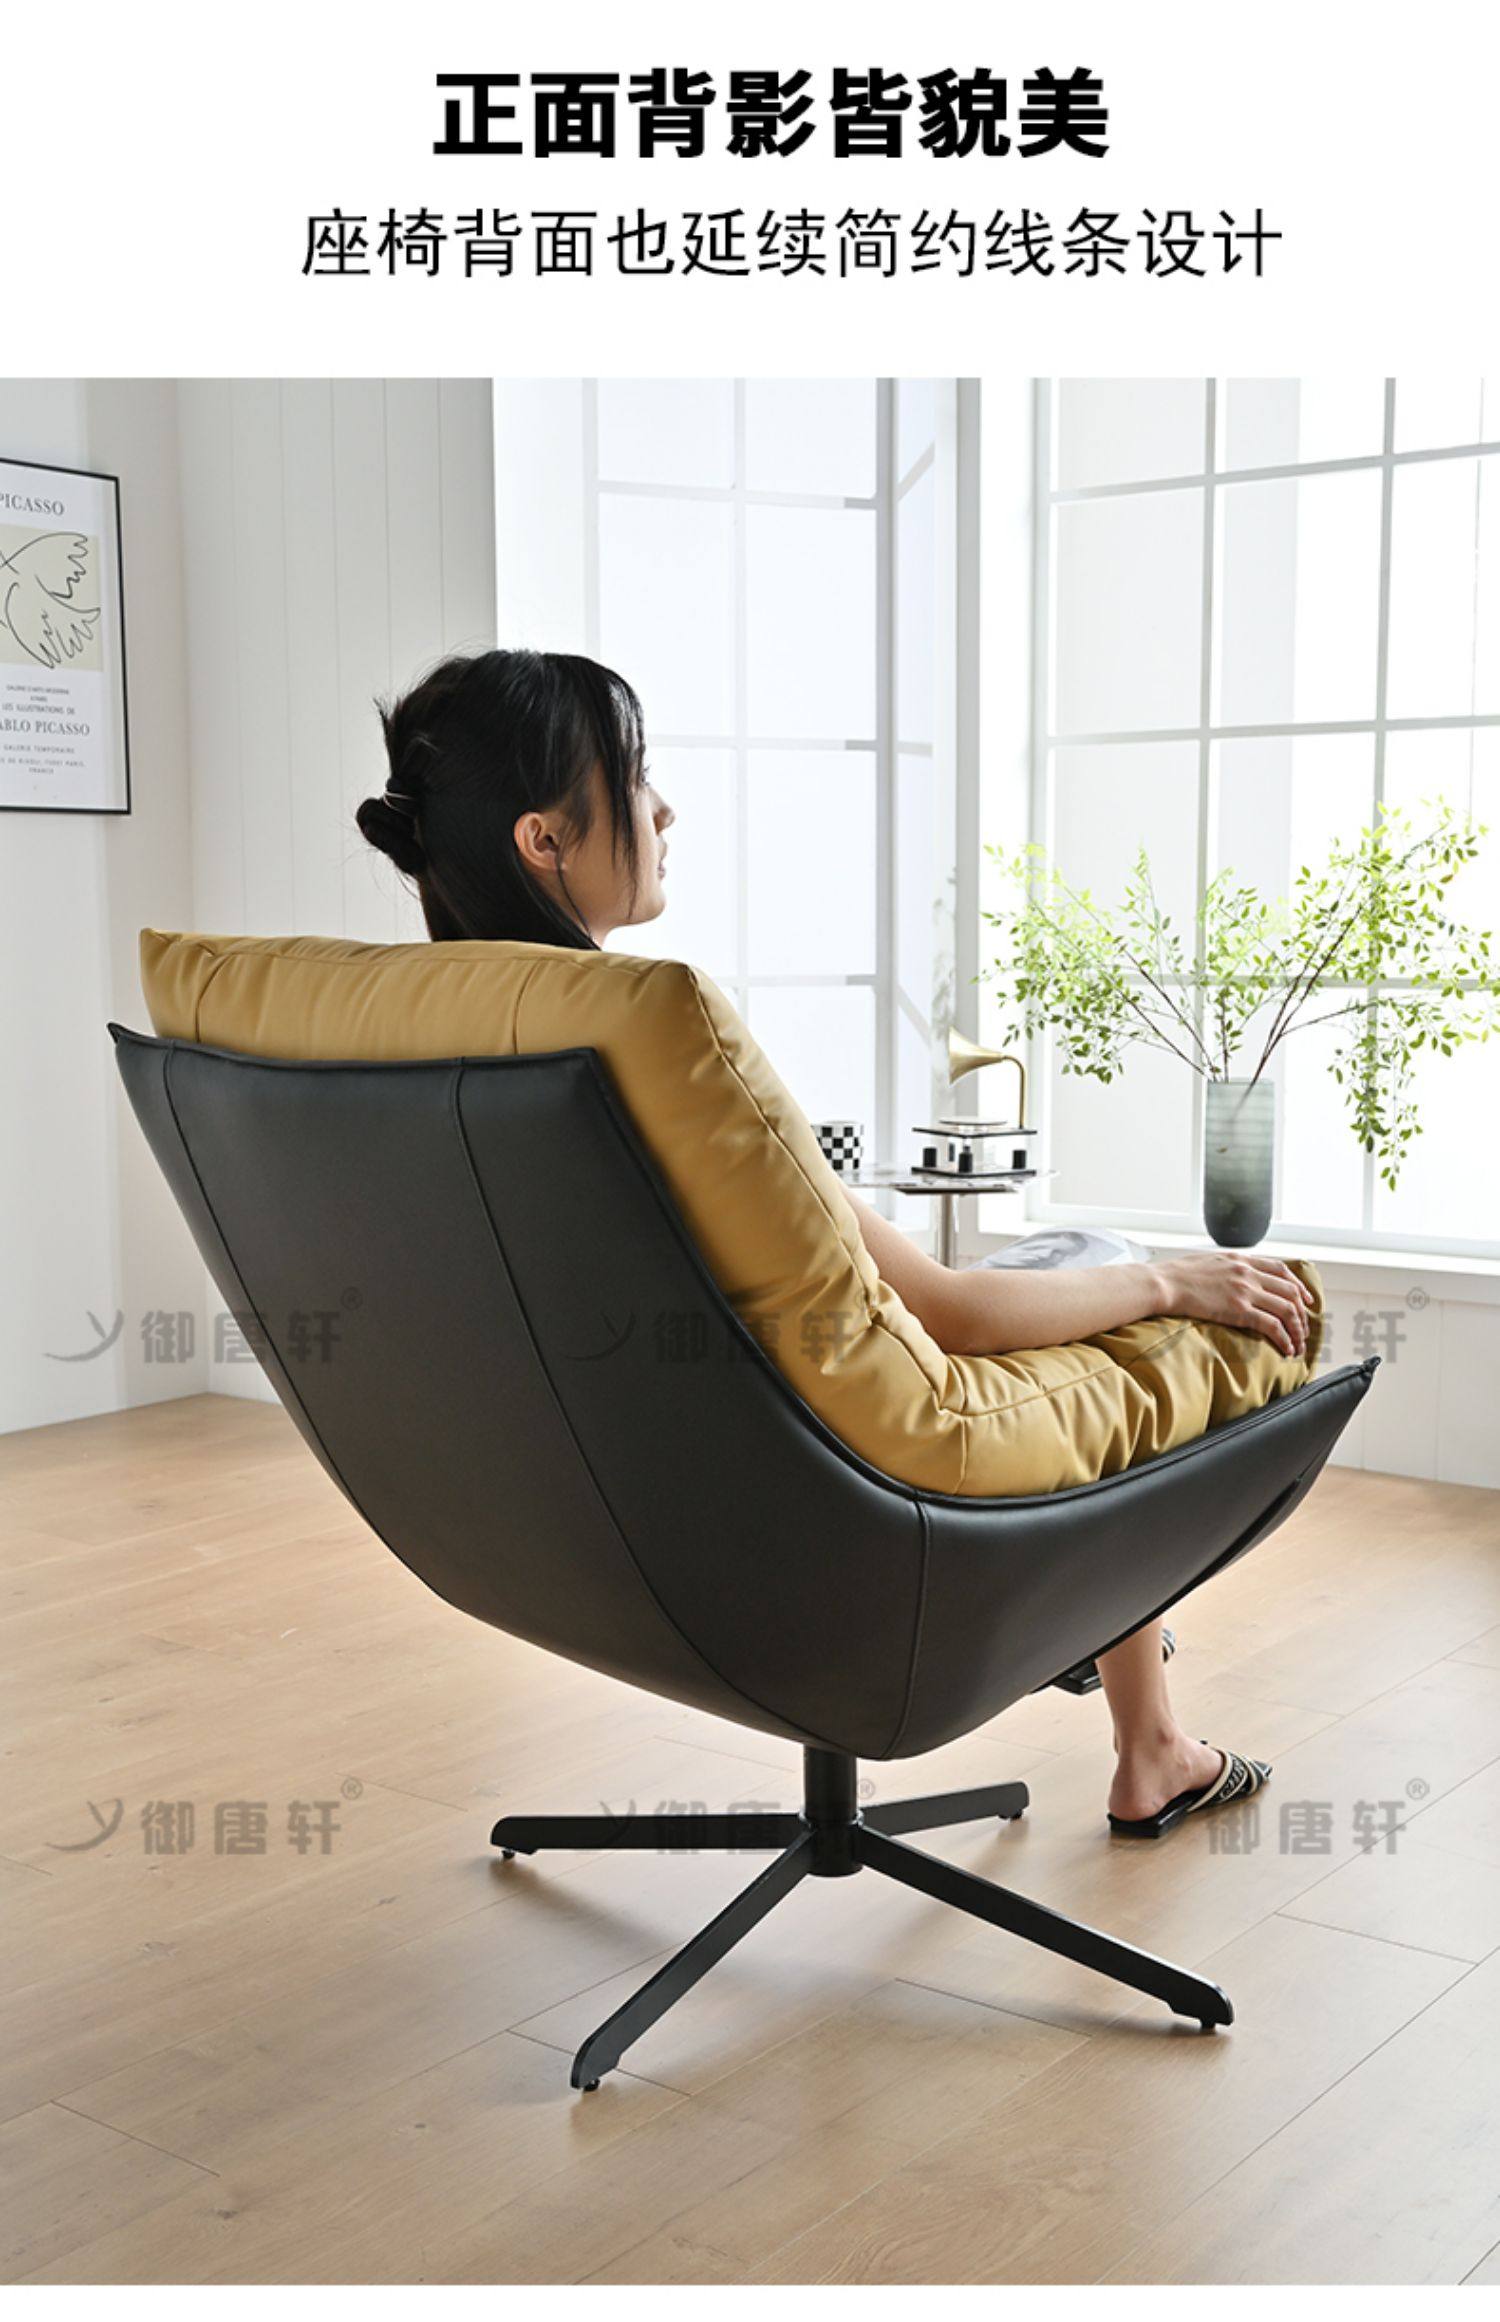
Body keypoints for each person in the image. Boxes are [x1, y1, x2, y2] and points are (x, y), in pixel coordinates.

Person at [359, 647, 1312, 1840]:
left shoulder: (412, 1036)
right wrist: (1173, 1277)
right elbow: (950, 1316)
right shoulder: (649, 1043)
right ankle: (1150, 1736)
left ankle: (1123, 1670)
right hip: (822, 1524)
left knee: (1079, 1260)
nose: (663, 811)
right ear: (544, 838)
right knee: (1118, 1281)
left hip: (586, 1523)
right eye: (634, 777)